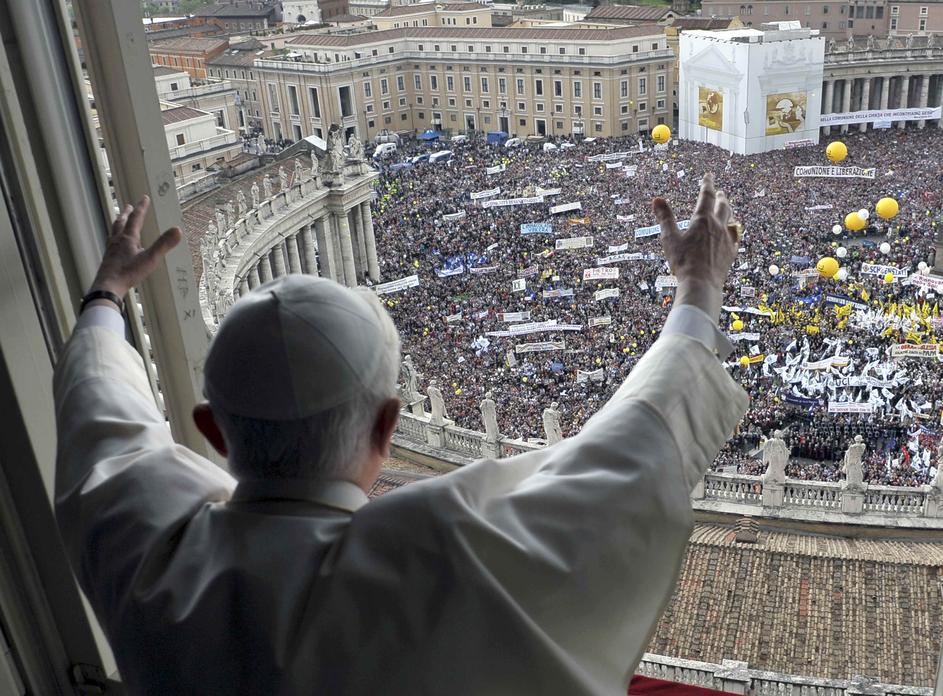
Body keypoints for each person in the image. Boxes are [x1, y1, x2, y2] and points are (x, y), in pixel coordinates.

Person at [54, 176, 748, 695]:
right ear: (390, 423)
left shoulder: (142, 553)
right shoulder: (444, 557)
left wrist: (106, 294)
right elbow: (633, 450)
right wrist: (697, 287)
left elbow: (101, 410)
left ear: (211, 431)